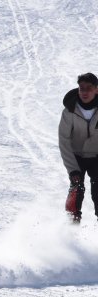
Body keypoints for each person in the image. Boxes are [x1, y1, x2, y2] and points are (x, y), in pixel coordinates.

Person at [59, 72, 98, 223]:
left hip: (97, 156)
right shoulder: (69, 110)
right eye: (82, 88)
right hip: (77, 156)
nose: (85, 92)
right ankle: (71, 228)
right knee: (77, 188)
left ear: (97, 90)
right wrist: (73, 169)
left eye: (89, 88)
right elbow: (64, 140)